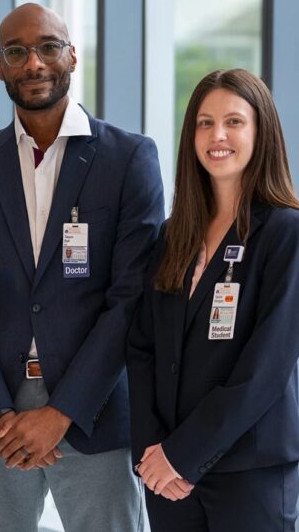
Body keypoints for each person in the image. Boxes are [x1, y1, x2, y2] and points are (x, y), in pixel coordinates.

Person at [0, 3, 164, 531]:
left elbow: (131, 298)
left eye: (47, 47)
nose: (33, 62)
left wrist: (61, 413)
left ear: (71, 56)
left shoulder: (129, 158)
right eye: (16, 52)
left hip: (95, 407)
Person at [127, 68, 299, 531]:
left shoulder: (286, 233)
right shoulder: (172, 237)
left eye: (234, 122)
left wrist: (184, 455)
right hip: (166, 475)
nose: (217, 135)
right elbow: (143, 348)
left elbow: (264, 370)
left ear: (261, 131)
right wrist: (151, 454)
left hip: (249, 472)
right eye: (204, 122)